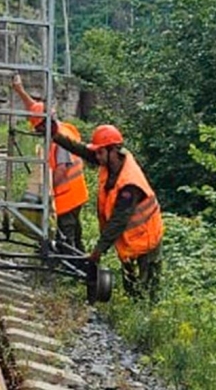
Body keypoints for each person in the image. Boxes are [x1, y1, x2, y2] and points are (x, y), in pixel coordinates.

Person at [52, 122, 164, 300]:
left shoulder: (129, 185)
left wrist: (98, 251)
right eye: (96, 152)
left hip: (145, 240)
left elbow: (118, 222)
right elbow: (82, 150)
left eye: (100, 152)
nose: (96, 156)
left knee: (145, 291)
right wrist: (55, 135)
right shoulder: (111, 160)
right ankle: (133, 305)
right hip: (131, 239)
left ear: (113, 150)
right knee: (131, 285)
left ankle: (147, 318)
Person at [11, 75, 89, 252]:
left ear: (45, 125)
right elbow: (35, 109)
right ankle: (83, 260)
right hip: (77, 193)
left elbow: (61, 169)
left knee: (66, 234)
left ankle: (72, 264)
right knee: (75, 230)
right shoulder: (60, 127)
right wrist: (20, 90)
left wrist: (49, 193)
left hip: (67, 195)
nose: (37, 131)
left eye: (38, 128)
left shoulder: (60, 140)